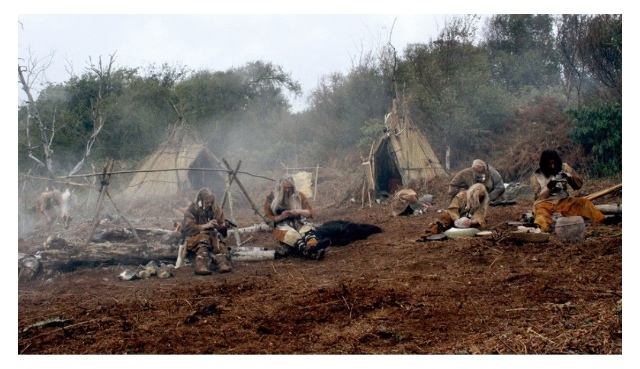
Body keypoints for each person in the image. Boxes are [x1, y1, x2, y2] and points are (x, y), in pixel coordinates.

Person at [531, 149, 613, 232]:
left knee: (584, 202)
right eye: (550, 164)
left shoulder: (564, 167)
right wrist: (550, 185)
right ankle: (543, 229)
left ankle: (603, 220)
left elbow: (578, 185)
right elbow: (541, 196)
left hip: (563, 202)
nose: (552, 166)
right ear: (544, 164)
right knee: (541, 216)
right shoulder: (537, 175)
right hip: (545, 204)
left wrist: (569, 177)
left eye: (554, 164)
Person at [264, 176, 330, 260]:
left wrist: (299, 211)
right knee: (293, 236)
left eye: (289, 187)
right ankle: (308, 251)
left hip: (299, 222)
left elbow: (310, 213)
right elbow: (267, 218)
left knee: (307, 232)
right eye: (285, 188)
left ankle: (314, 246)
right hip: (282, 226)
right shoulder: (271, 198)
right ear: (280, 187)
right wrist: (280, 217)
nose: (287, 190)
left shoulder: (299, 196)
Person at [181, 188, 232, 275]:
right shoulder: (192, 209)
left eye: (211, 202)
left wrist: (222, 226)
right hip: (195, 237)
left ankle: (222, 263)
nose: (209, 204)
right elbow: (187, 227)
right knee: (204, 239)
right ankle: (201, 265)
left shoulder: (215, 209)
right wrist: (205, 226)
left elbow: (221, 227)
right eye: (207, 202)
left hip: (213, 236)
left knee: (219, 243)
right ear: (200, 200)